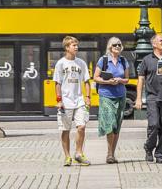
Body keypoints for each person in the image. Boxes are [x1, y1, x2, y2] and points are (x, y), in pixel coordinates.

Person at [134, 34, 162, 164]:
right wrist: (138, 98)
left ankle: (160, 154)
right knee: (153, 125)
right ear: (153, 44)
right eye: (161, 40)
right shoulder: (147, 60)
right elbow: (141, 79)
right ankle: (149, 147)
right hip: (152, 97)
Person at [52, 36, 91, 166]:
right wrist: (59, 100)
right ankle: (67, 156)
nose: (76, 47)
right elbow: (57, 83)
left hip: (79, 100)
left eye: (76, 45)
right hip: (66, 101)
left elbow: (86, 81)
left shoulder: (81, 63)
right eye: (73, 45)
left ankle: (79, 154)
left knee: (82, 126)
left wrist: (87, 97)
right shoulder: (60, 63)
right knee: (65, 130)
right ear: (67, 48)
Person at [94, 37, 131, 164]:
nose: (117, 47)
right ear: (110, 47)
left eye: (119, 45)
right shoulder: (103, 60)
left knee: (116, 126)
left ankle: (112, 154)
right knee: (109, 124)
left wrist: (120, 80)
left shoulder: (123, 61)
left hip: (120, 95)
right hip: (106, 95)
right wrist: (107, 81)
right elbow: (96, 77)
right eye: (115, 45)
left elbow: (127, 79)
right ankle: (109, 154)